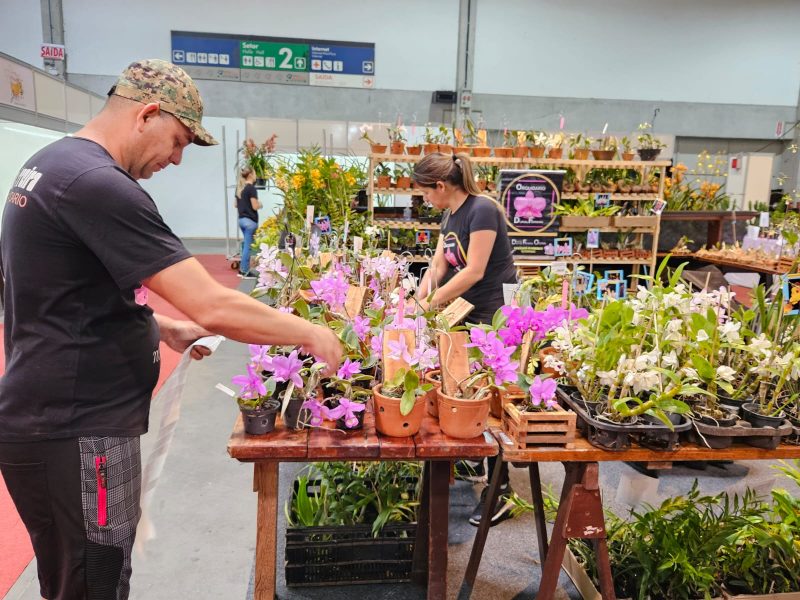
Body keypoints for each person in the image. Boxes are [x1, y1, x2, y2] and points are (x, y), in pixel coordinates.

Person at [0, 59, 342, 600]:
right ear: (149, 114)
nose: (177, 159)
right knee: (94, 581)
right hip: (77, 431)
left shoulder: (53, 165)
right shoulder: (98, 185)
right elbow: (211, 303)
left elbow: (59, 297)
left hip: (54, 418)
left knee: (88, 576)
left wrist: (156, 325)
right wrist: (308, 332)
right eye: (178, 141)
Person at [412, 152, 518, 527]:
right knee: (459, 385)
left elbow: (473, 271)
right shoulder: (450, 214)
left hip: (493, 313)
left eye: (425, 192)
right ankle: (477, 458)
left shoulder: (483, 210)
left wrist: (429, 305)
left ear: (440, 186)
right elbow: (439, 265)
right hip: (464, 310)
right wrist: (417, 297)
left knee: (487, 397)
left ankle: (502, 491)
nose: (424, 199)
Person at [235, 165, 261, 278]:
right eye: (255, 173)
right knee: (247, 246)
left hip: (241, 220)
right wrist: (260, 204)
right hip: (250, 221)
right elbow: (255, 206)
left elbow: (235, 204)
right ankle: (244, 271)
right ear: (251, 175)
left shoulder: (239, 188)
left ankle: (243, 268)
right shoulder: (251, 189)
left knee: (246, 244)